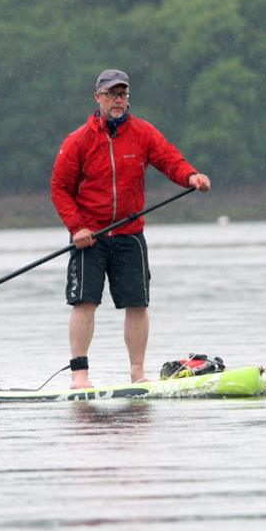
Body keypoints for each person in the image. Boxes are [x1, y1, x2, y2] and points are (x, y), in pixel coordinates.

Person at [50, 69, 211, 388]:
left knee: (138, 303)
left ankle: (138, 373)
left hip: (129, 235)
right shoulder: (78, 141)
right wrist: (77, 227)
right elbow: (59, 188)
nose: (118, 100)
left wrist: (191, 176)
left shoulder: (143, 133)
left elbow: (170, 160)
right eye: (111, 94)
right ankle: (79, 375)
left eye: (123, 94)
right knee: (85, 302)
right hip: (89, 238)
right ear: (98, 98)